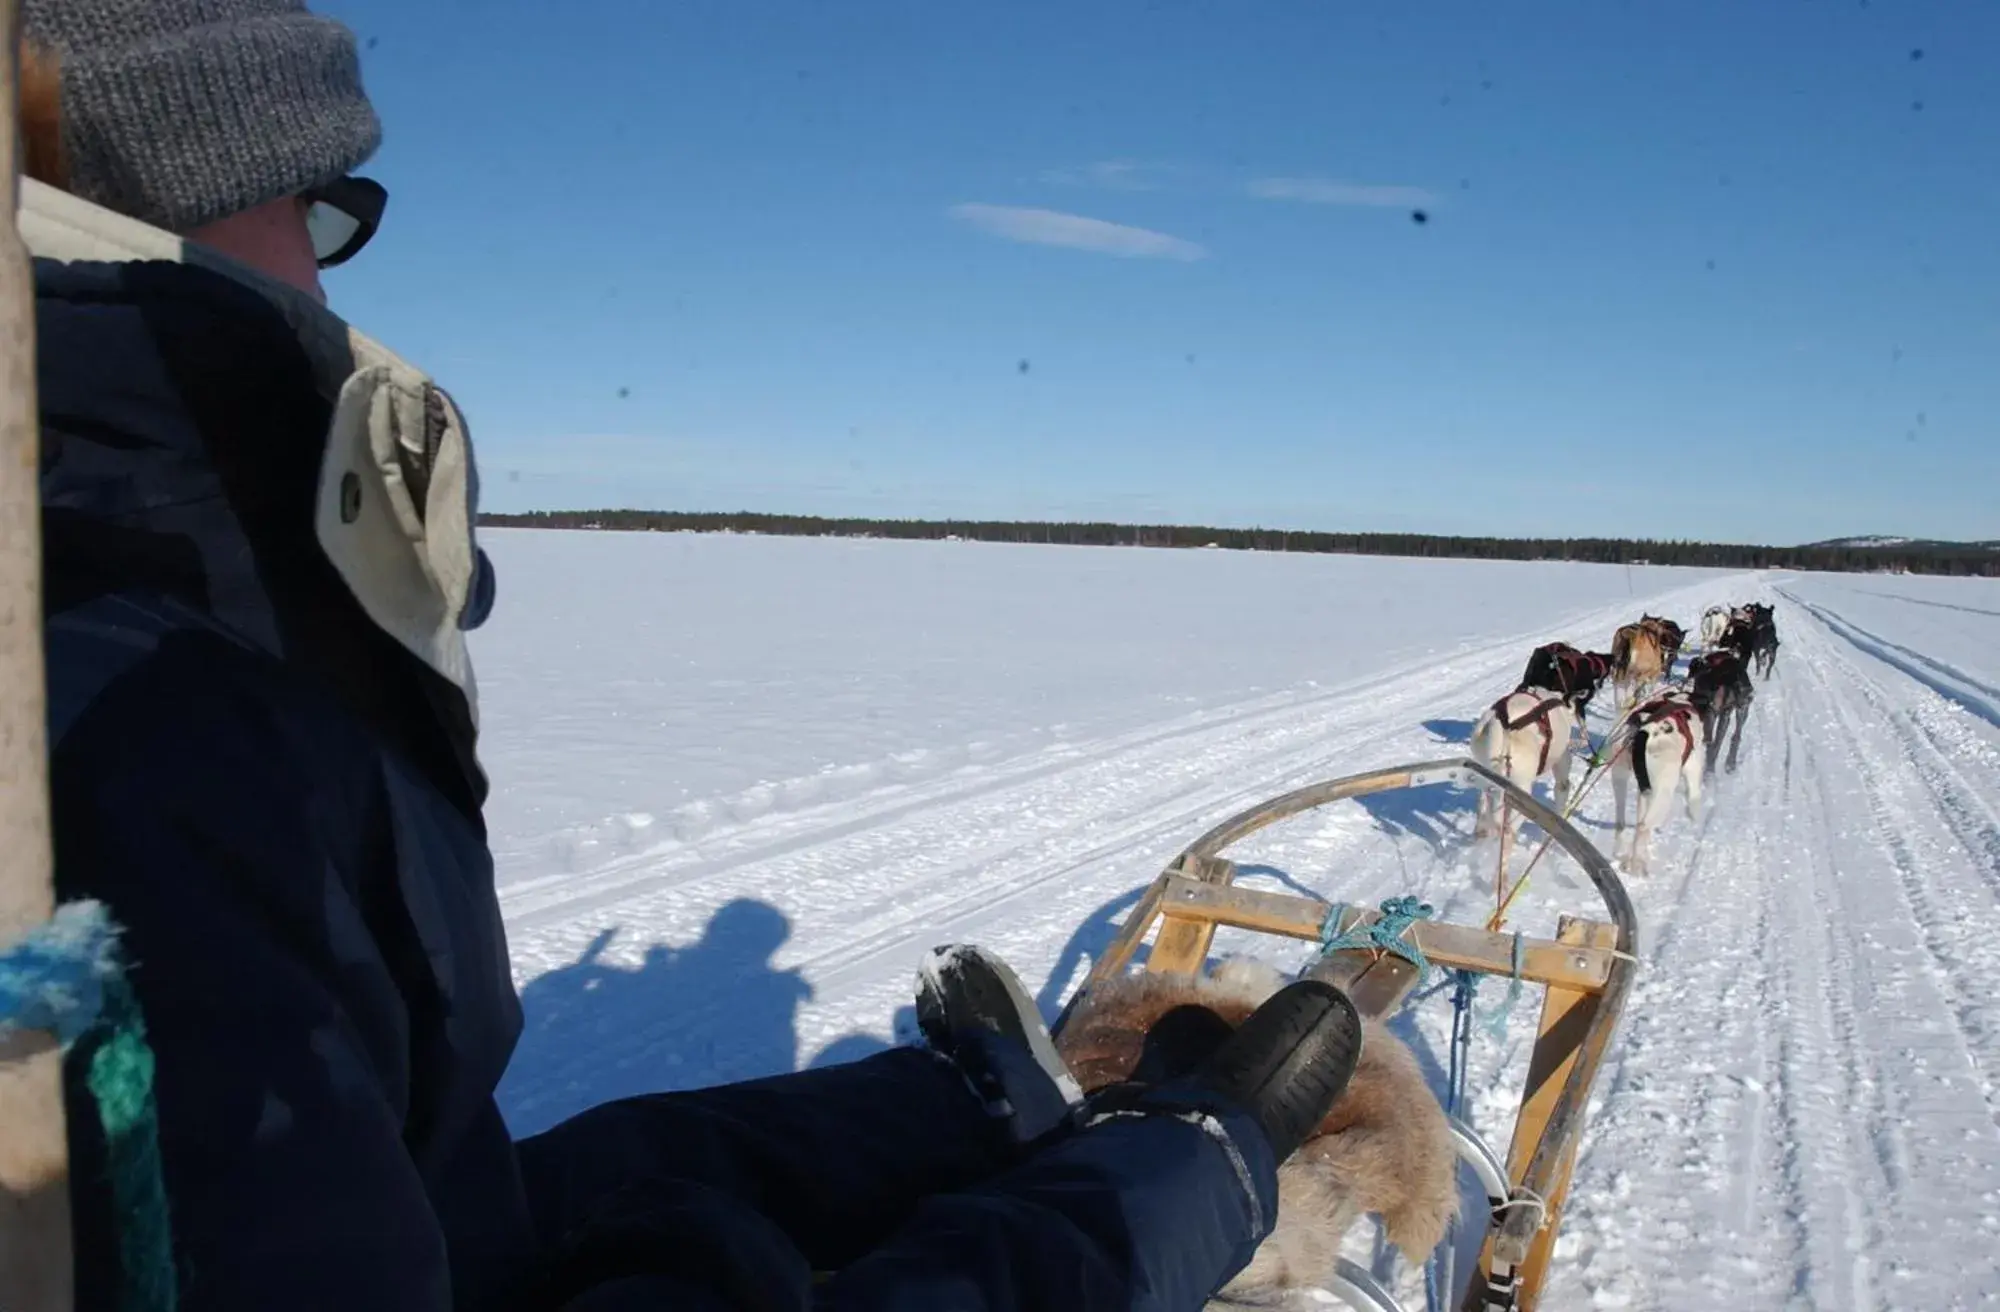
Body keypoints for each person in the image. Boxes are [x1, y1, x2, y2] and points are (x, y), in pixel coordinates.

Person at [20, 4, 1367, 1309]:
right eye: (318, 207)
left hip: (434, 1225)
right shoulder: (139, 736)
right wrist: (1195, 1167)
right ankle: (1131, 1132)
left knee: (600, 1182)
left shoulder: (116, 650)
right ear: (145, 192)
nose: (324, 273)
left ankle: (984, 1102)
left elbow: (450, 1209)